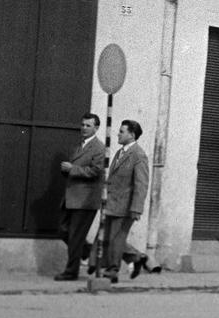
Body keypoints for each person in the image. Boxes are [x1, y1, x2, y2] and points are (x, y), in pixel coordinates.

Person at [53, 113, 108, 281]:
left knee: (75, 236)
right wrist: (67, 171)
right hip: (72, 196)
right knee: (63, 231)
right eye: (83, 124)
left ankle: (71, 272)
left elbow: (97, 171)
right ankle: (87, 252)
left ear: (96, 128)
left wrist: (72, 169)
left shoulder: (99, 148)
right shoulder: (79, 146)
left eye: (88, 125)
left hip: (85, 199)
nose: (84, 128)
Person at [98, 119, 151, 283]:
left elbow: (141, 184)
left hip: (126, 206)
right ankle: (137, 258)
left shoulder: (138, 155)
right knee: (110, 237)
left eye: (122, 131)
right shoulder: (120, 152)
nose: (118, 134)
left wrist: (136, 208)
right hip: (112, 203)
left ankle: (113, 270)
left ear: (132, 135)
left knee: (116, 238)